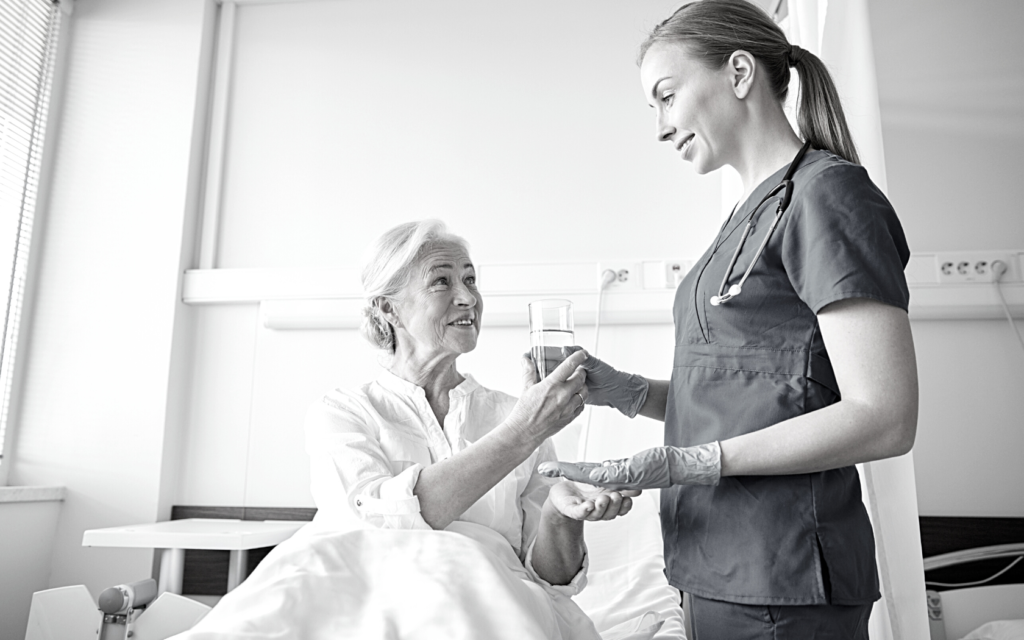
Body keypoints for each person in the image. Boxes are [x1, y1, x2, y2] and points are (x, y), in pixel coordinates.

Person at [540, 1, 919, 638]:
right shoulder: (744, 216)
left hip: (781, 571)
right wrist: (626, 392)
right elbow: (753, 396)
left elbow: (884, 416)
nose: (660, 127)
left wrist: (686, 463)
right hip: (712, 564)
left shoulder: (825, 195)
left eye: (666, 96)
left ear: (739, 73)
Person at [301, 220, 638, 639]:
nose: (468, 298)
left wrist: (561, 517)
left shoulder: (513, 413)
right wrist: (522, 433)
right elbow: (377, 526)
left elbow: (551, 578)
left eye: (471, 280)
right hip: (377, 611)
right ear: (388, 308)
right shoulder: (345, 413)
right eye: (441, 282)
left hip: (494, 615)